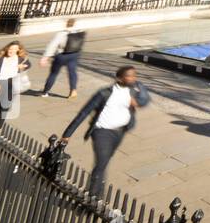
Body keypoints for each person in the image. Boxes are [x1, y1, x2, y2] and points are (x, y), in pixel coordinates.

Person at [60, 65, 151, 199]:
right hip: (102, 132)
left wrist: (136, 102)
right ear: (120, 78)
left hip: (119, 133)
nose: (133, 78)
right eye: (129, 76)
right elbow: (84, 112)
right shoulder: (104, 93)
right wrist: (67, 134)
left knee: (104, 162)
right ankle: (94, 197)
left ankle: (96, 194)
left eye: (134, 75)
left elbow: (145, 99)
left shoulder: (135, 88)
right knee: (101, 164)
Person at [0, 41, 31, 129]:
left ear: (18, 50)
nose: (12, 51)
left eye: (14, 49)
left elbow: (29, 64)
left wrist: (23, 66)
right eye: (10, 48)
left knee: (3, 109)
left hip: (10, 87)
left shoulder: (20, 59)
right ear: (6, 49)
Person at [40, 18, 85, 99]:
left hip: (61, 55)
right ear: (75, 24)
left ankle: (45, 92)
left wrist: (45, 57)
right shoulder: (79, 32)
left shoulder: (62, 33)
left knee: (53, 74)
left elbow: (53, 45)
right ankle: (73, 90)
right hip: (74, 54)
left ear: (66, 24)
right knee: (72, 73)